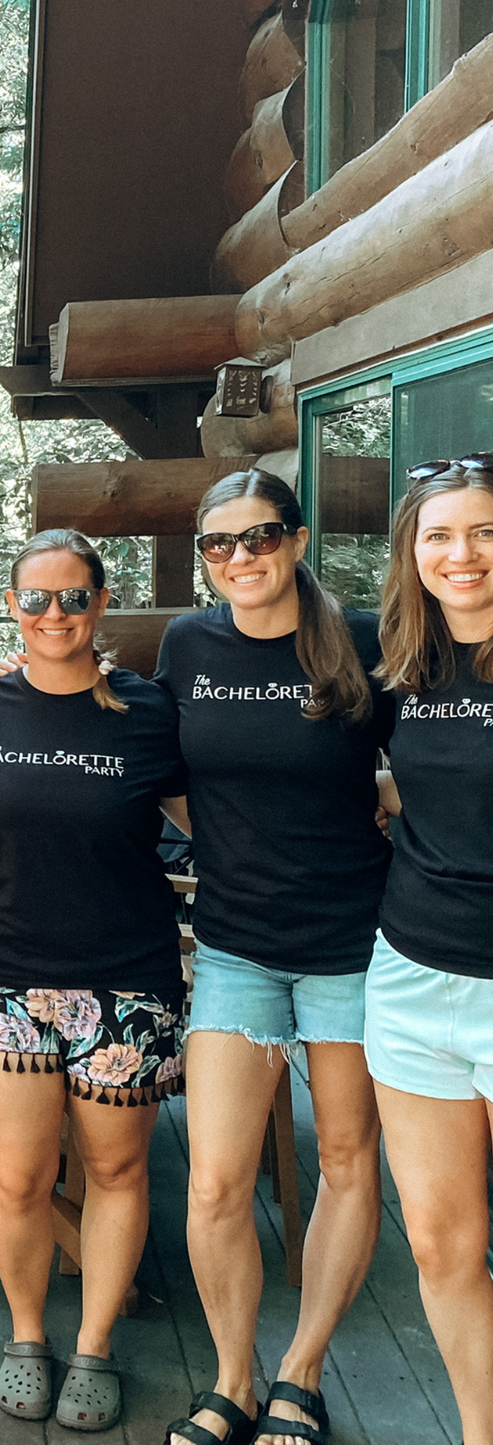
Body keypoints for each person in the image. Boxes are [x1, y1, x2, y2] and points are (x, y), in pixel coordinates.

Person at [158, 472, 393, 1445]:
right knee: (212, 1180)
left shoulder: (364, 640)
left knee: (344, 1158)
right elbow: (169, 775)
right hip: (235, 944)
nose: (238, 557)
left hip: (350, 940)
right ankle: (230, 1378)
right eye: (217, 544)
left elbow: (415, 764)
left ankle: (298, 1369)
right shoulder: (186, 642)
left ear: (293, 541)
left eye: (257, 537)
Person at [0, 530, 187, 1433]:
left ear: (101, 600)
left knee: (117, 1167)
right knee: (15, 1177)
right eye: (36, 599)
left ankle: (92, 1344)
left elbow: (209, 808)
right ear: (12, 606)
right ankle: (25, 1335)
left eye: (73, 597)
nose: (55, 615)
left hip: (127, 974)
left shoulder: (147, 708)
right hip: (4, 972)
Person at [365, 455, 493, 1445]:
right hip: (409, 981)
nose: (462, 553)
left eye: (483, 530)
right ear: (411, 550)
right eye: (439, 534)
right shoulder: (403, 666)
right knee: (441, 1247)